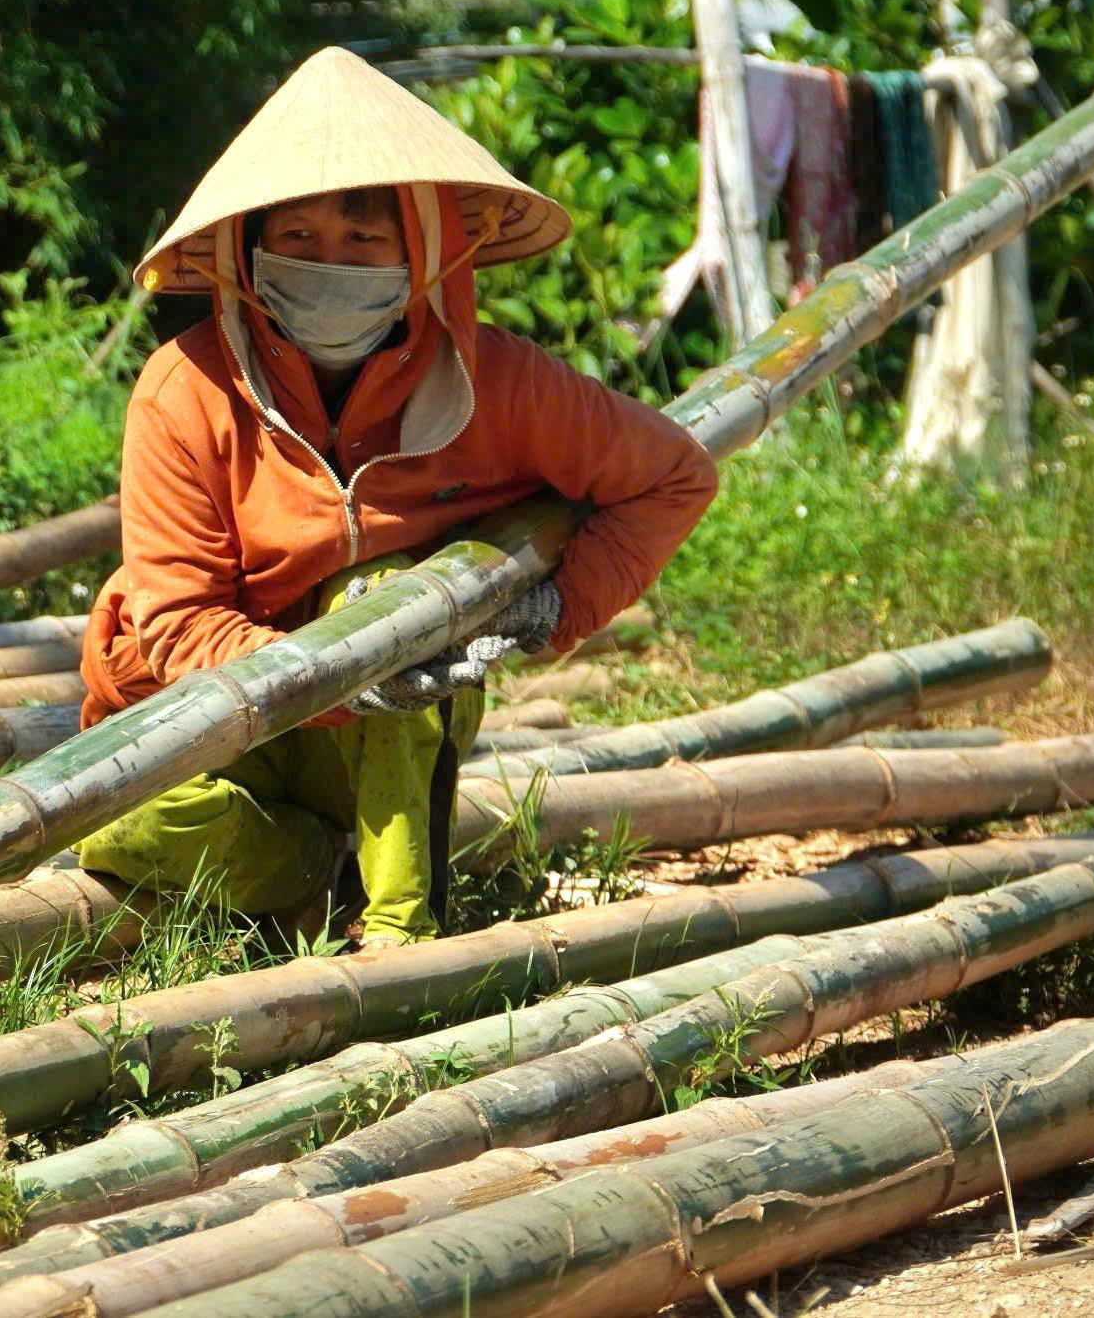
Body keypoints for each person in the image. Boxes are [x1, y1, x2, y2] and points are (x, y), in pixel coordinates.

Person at [74, 46, 720, 948]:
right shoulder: (183, 393)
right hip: (213, 724)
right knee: (118, 832)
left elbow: (672, 474)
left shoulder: (499, 383)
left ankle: (399, 932)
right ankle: (310, 870)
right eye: (298, 238)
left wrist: (557, 605)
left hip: (402, 722)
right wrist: (331, 682)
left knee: (375, 601)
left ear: (419, 252)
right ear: (249, 251)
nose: (329, 261)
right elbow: (180, 624)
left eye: (364, 239)